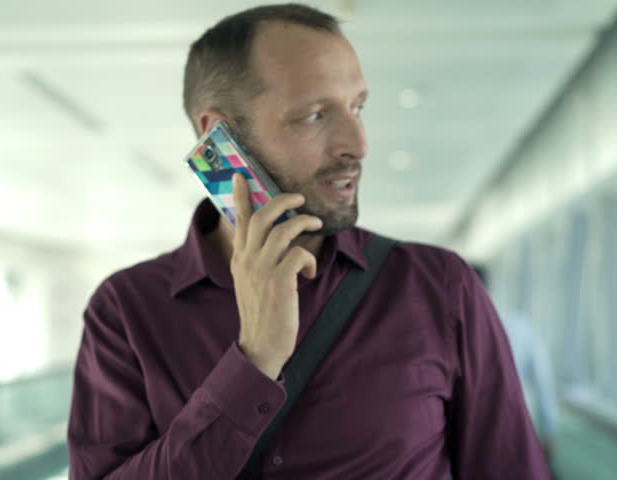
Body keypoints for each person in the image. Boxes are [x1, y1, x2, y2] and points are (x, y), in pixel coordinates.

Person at [67, 4, 550, 479]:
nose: (357, 145)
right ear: (220, 136)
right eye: (315, 115)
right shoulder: (126, 311)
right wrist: (253, 362)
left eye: (357, 107)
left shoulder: (438, 286)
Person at [473, 265, 560, 476]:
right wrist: (549, 431)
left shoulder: (454, 327)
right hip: (517, 424)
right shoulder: (521, 325)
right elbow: (543, 382)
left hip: (473, 429)